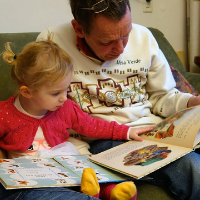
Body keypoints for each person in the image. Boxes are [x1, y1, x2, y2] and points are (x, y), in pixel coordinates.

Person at [36, 0, 200, 199]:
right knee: (192, 167)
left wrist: (191, 103)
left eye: (126, 35)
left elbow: (163, 97)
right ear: (79, 29)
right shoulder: (52, 42)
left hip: (151, 131)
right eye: (107, 42)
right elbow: (41, 105)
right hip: (100, 138)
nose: (120, 48)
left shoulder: (145, 37)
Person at [0, 35, 156, 199]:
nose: (64, 98)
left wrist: (126, 132)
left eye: (66, 89)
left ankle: (111, 191)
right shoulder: (4, 114)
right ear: (27, 92)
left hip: (65, 163)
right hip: (32, 177)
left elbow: (92, 125)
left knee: (91, 173)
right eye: (56, 93)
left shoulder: (65, 108)